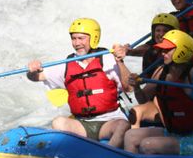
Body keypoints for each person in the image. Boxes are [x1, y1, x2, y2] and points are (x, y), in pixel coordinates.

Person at [27, 18, 132, 148]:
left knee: (123, 125)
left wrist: (120, 62)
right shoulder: (67, 65)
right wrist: (32, 70)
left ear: (94, 37)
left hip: (110, 121)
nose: (76, 43)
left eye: (81, 38)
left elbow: (129, 87)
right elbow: (37, 77)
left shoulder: (109, 60)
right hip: (82, 124)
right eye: (74, 38)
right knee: (58, 122)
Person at [124, 30, 193, 155]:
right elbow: (143, 99)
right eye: (162, 50)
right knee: (130, 136)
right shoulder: (161, 71)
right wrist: (136, 87)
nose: (162, 53)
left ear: (181, 51)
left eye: (167, 50)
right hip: (173, 132)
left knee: (148, 145)